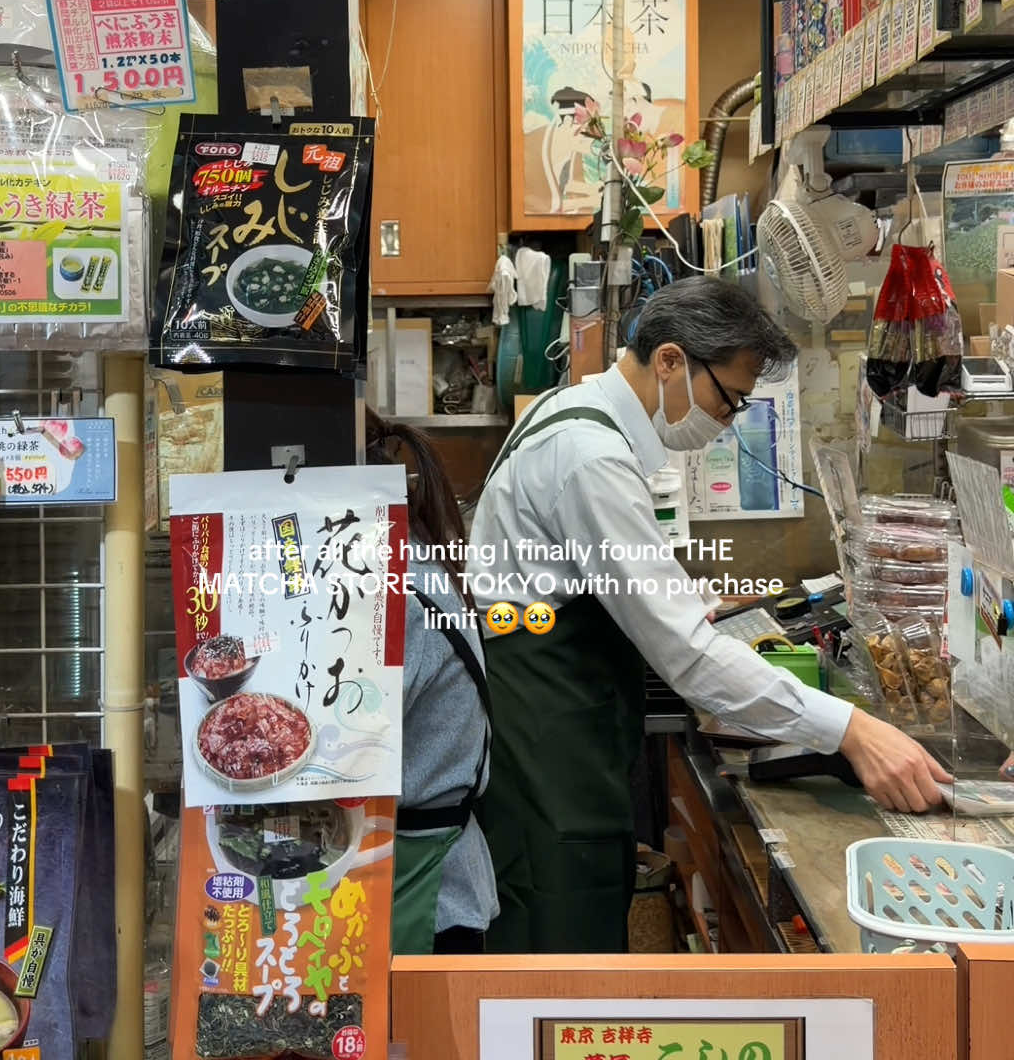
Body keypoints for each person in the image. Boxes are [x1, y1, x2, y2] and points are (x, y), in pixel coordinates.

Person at [469, 276, 951, 954]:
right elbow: (689, 659)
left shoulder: (572, 410)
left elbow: (584, 575)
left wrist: (686, 601)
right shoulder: (591, 457)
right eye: (729, 399)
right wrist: (851, 730)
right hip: (543, 747)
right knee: (555, 959)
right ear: (670, 361)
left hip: (553, 722)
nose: (728, 420)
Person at [366, 408, 499, 953]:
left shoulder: (397, 597)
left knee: (414, 1043)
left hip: (426, 894)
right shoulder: (403, 563)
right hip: (406, 872)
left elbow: (346, 751)